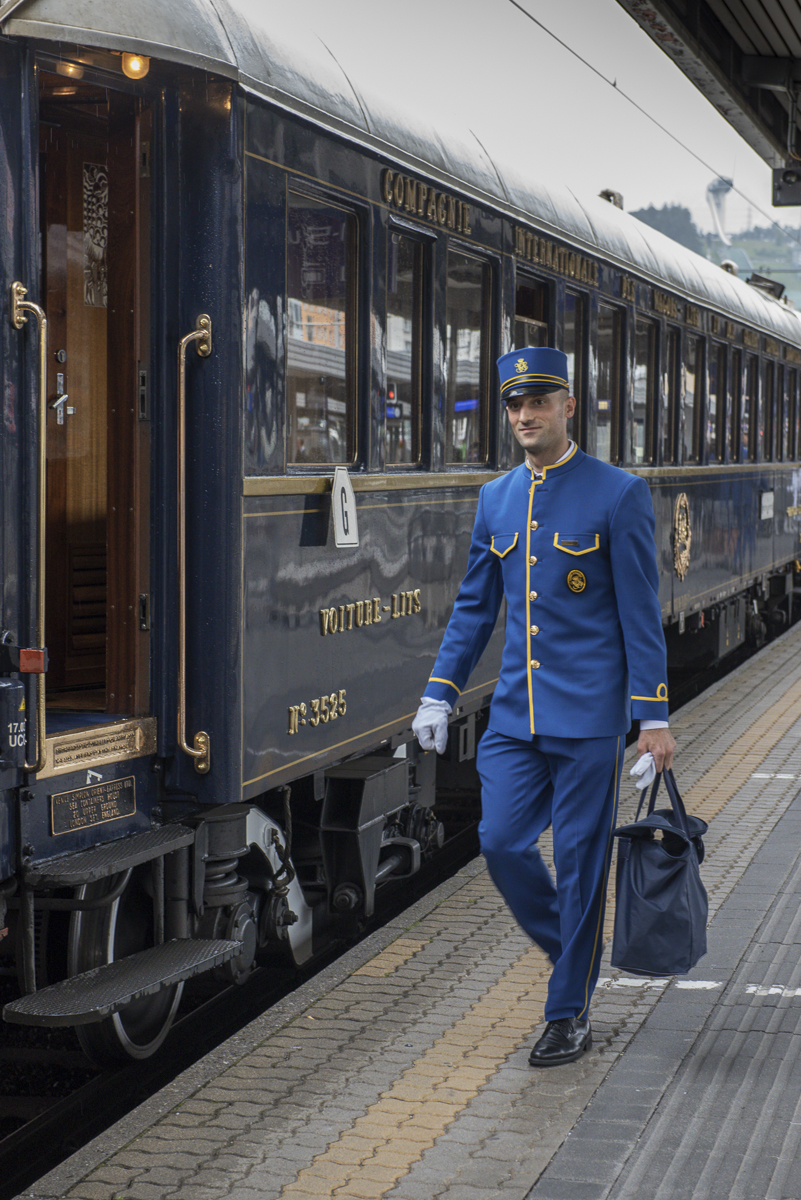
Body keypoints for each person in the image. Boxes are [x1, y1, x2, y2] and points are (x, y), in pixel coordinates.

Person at [413, 346, 675, 1067]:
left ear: (568, 406)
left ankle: (568, 1012)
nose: (524, 416)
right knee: (498, 841)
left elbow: (640, 614)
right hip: (514, 719)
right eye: (512, 405)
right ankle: (575, 954)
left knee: (582, 863)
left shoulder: (616, 493)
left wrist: (651, 719)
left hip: (590, 720)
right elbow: (473, 608)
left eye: (537, 402)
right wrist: (438, 690)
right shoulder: (496, 498)